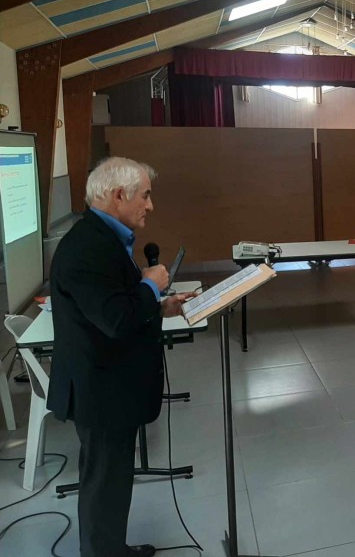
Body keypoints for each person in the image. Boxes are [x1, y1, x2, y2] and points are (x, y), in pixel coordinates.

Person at [47, 157, 196, 557]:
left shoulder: (102, 237)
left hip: (110, 386)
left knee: (112, 483)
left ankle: (113, 549)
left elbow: (114, 305)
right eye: (145, 196)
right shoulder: (88, 247)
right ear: (118, 195)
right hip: (100, 390)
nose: (150, 205)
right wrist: (151, 286)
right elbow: (115, 319)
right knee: (104, 485)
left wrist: (159, 306)